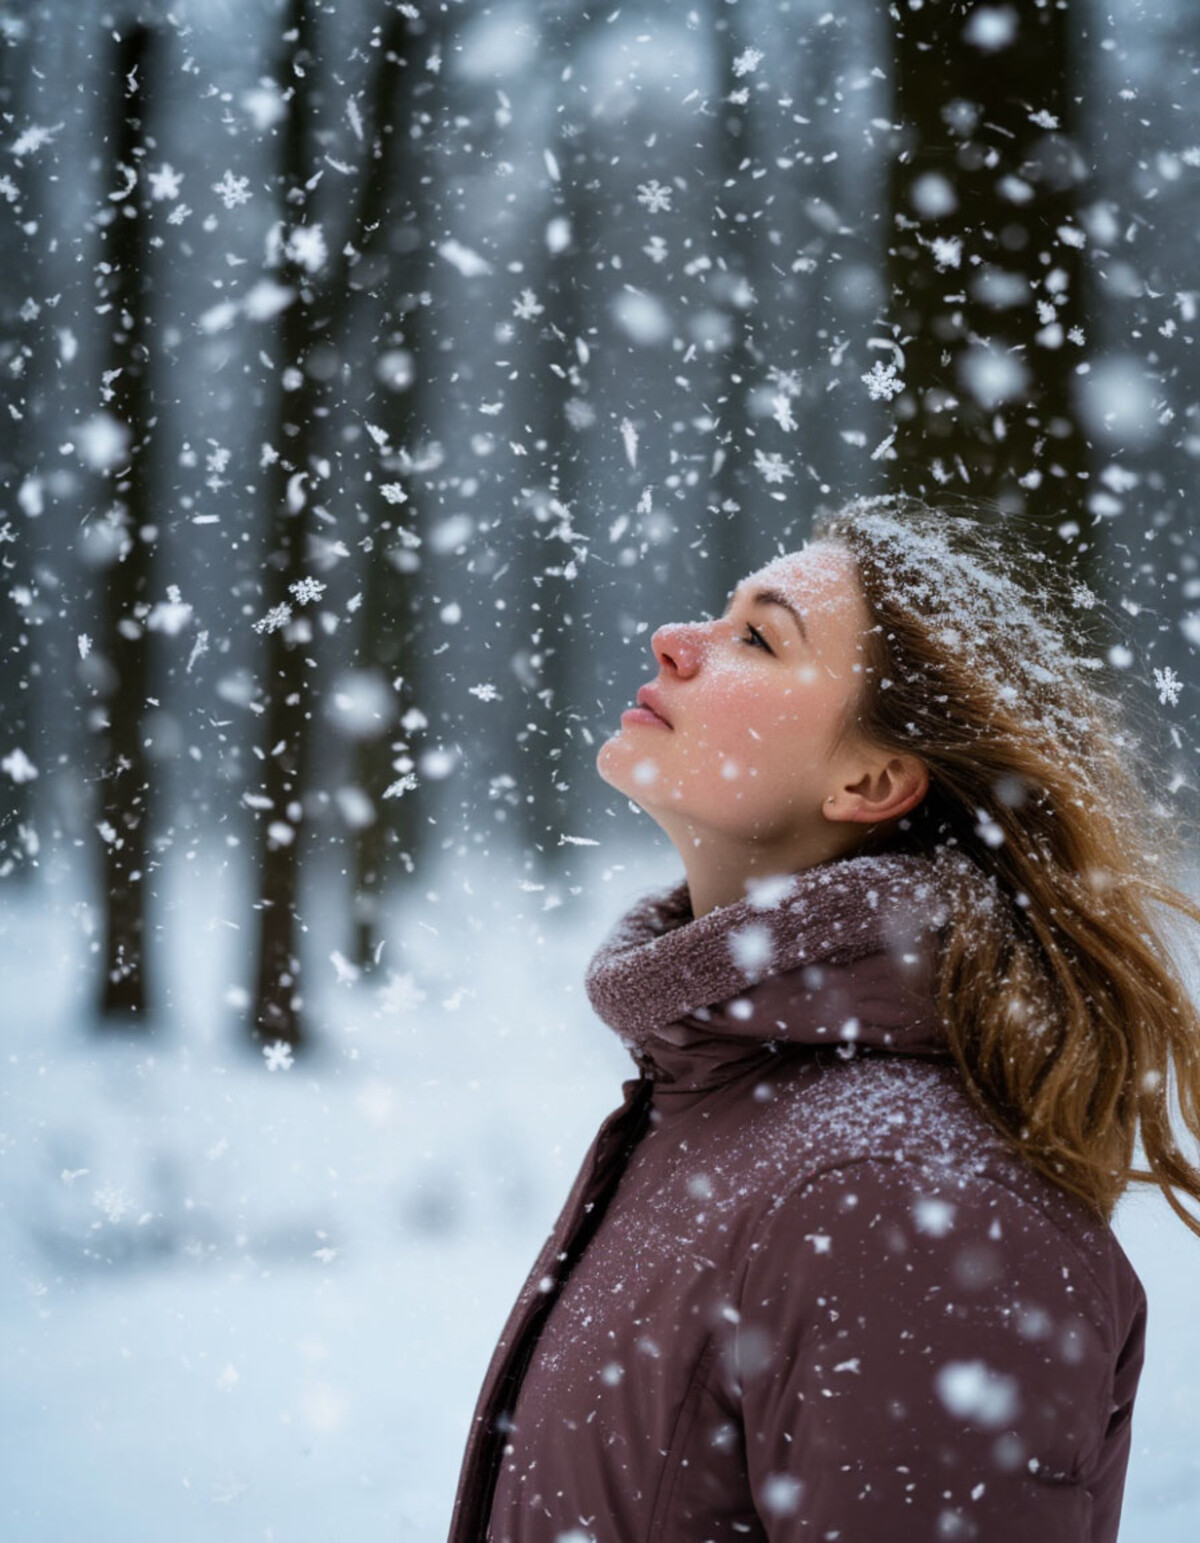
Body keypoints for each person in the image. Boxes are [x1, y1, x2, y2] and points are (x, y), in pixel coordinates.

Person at [448, 496, 1200, 1543]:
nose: (676, 639)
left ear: (873, 778)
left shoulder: (905, 1198)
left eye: (758, 635)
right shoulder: (723, 1105)